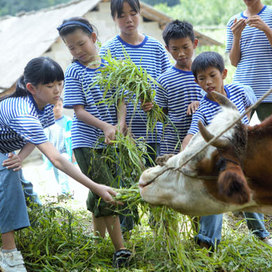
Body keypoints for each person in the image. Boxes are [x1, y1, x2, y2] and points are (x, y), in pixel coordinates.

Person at [0, 56, 117, 272]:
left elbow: (31, 139)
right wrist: (95, 186)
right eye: (50, 85)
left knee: (23, 185)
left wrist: (21, 157)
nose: (57, 90)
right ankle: (8, 254)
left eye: (60, 84)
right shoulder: (24, 111)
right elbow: (56, 158)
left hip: (4, 147)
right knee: (8, 177)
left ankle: (31, 230)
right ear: (31, 88)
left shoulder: (45, 108)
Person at [57, 17, 131, 268]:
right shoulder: (74, 71)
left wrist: (120, 124)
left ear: (94, 38)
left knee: (97, 192)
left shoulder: (112, 64)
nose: (77, 51)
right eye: (71, 47)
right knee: (108, 191)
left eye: (81, 44)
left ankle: (97, 244)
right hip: (87, 141)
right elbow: (79, 112)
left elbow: (122, 98)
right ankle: (121, 249)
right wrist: (105, 126)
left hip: (111, 140)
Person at [182, 51, 272, 249]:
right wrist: (182, 156)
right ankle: (208, 241)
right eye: (202, 78)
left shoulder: (240, 91)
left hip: (244, 153)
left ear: (223, 73)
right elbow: (190, 135)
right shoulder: (203, 109)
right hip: (221, 158)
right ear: (196, 82)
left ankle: (261, 235)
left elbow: (251, 108)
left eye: (212, 75)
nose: (208, 82)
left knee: (247, 190)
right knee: (216, 193)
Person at [99, 0, 171, 232]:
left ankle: (159, 226)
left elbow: (165, 84)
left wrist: (155, 102)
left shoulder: (156, 48)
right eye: (122, 15)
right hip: (126, 134)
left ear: (140, 14)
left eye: (133, 13)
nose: (128, 19)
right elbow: (106, 92)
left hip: (154, 130)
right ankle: (128, 232)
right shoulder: (108, 50)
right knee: (127, 182)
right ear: (114, 19)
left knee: (155, 180)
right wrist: (118, 125)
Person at [155, 20, 203, 155]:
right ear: (167, 49)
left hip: (202, 142)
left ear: (195, 44)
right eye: (175, 49)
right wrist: (149, 107)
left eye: (185, 47)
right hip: (172, 146)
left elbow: (217, 102)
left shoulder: (206, 74)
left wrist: (201, 104)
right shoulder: (164, 80)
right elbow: (160, 117)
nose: (181, 53)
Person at [226, 0, 272, 121]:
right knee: (238, 135)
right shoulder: (234, 21)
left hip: (268, 90)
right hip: (242, 90)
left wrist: (266, 29)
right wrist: (236, 36)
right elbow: (234, 62)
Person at [43, 98, 73, 196]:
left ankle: (66, 194)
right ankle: (62, 192)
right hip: (52, 154)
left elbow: (73, 139)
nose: (57, 108)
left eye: (59, 105)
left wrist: (73, 153)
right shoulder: (47, 123)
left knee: (63, 173)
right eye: (54, 106)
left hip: (64, 152)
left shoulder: (68, 121)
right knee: (56, 173)